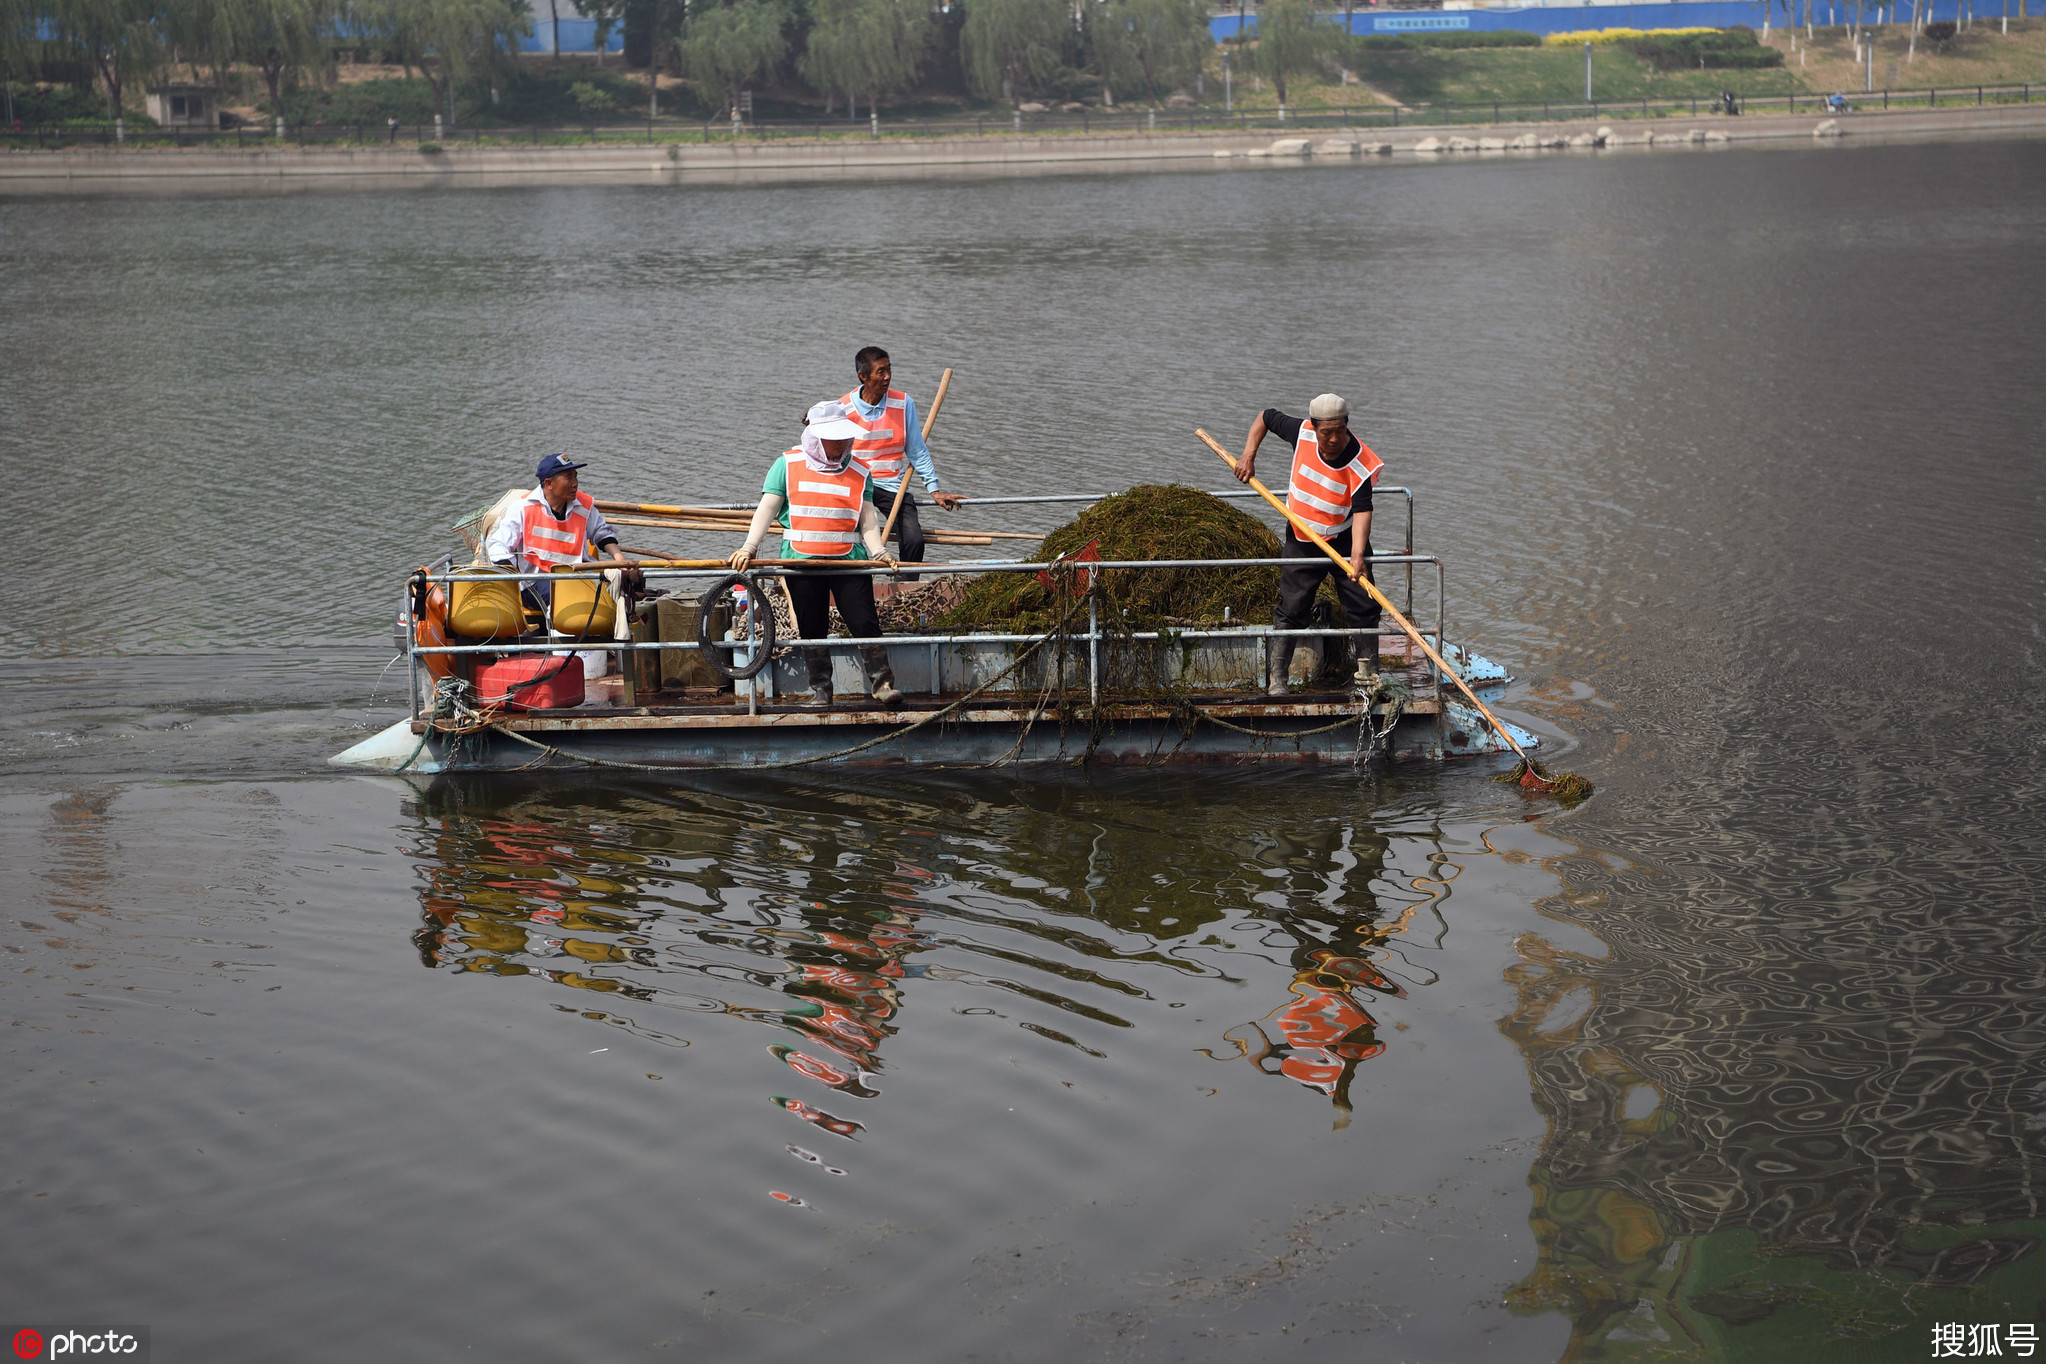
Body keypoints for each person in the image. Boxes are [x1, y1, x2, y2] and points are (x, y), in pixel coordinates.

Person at [729, 400, 905, 709]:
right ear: (814, 437)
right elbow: (766, 510)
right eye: (832, 439)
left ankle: (882, 684)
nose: (839, 445)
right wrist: (748, 548)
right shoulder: (787, 464)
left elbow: (868, 520)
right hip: (800, 562)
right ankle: (821, 689)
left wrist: (879, 551)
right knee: (812, 627)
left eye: (843, 439)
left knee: (865, 622)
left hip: (850, 561)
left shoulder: (861, 470)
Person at [1233, 393, 1384, 697]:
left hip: (1344, 537)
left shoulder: (1360, 461)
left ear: (1347, 426)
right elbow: (1264, 416)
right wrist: (1249, 455)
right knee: (1292, 607)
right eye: (1326, 432)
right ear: (1314, 427)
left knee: (1365, 605)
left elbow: (1362, 510)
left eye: (1339, 430)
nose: (1332, 438)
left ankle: (1369, 678)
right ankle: (1278, 679)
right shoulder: (1299, 432)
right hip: (1302, 536)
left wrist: (1357, 557)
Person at [840, 345, 963, 578]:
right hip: (855, 486)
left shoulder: (903, 403)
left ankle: (905, 587)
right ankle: (851, 584)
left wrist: (934, 489)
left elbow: (917, 450)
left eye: (889, 370)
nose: (887, 377)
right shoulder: (843, 408)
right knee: (847, 539)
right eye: (880, 372)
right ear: (863, 376)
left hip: (891, 486)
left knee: (914, 540)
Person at [484, 453, 638, 616]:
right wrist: (508, 567)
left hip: (578, 576)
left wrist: (619, 559)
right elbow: (497, 544)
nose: (575, 484)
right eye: (569, 478)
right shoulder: (522, 508)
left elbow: (602, 532)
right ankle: (561, 638)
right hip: (535, 583)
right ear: (549, 483)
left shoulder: (583, 505)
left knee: (628, 583)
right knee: (566, 595)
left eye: (576, 477)